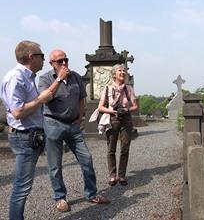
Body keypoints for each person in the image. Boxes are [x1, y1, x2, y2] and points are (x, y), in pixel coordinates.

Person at [0, 40, 67, 220]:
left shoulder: (27, 77)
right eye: (42, 56)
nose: (44, 60)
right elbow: (17, 112)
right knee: (22, 187)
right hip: (24, 137)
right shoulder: (16, 77)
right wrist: (41, 99)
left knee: (25, 185)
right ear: (31, 57)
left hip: (32, 135)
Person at [38, 49, 110, 213]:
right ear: (52, 64)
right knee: (55, 165)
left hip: (73, 125)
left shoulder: (76, 76)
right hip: (53, 123)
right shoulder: (45, 78)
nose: (64, 63)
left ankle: (91, 193)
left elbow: (81, 98)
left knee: (87, 159)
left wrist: (80, 116)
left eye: (66, 60)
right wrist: (59, 79)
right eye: (60, 61)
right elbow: (45, 98)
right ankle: (60, 198)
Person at [97, 64, 138, 186]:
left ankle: (122, 175)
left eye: (124, 70)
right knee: (111, 148)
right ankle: (112, 175)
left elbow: (135, 106)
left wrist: (127, 110)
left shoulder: (129, 89)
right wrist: (112, 110)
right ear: (114, 74)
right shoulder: (107, 89)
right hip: (112, 118)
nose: (123, 72)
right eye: (120, 70)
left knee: (125, 147)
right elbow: (100, 107)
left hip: (126, 119)